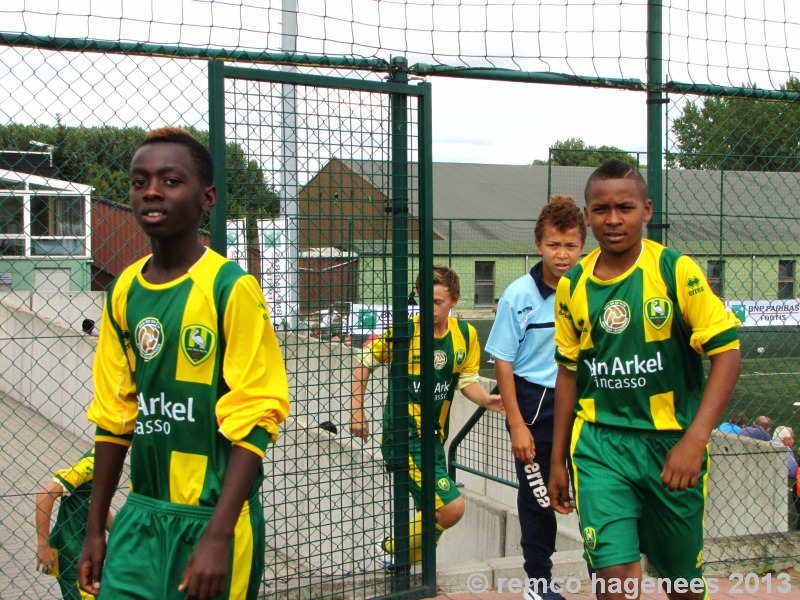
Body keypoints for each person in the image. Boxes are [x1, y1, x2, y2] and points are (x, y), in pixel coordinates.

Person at [77, 128, 290, 600]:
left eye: (170, 181)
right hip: (141, 515)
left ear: (206, 197)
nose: (151, 191)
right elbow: (115, 417)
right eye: (139, 182)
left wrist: (218, 534)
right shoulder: (123, 292)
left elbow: (256, 418)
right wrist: (95, 527)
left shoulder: (230, 289)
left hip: (211, 520)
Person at [548, 159, 741, 600]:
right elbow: (567, 373)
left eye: (625, 207)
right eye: (600, 210)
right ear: (587, 215)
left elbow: (727, 355)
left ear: (647, 211)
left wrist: (694, 441)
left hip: (670, 448)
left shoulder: (676, 271)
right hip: (600, 447)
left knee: (683, 588)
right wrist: (557, 459)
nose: (613, 219)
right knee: (614, 583)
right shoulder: (572, 284)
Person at [349, 265, 503, 570]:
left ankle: (404, 566)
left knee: (435, 515)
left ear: (455, 300)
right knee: (452, 508)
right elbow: (363, 359)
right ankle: (395, 550)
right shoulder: (404, 333)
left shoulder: (466, 335)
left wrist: (485, 399)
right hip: (403, 438)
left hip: (434, 441)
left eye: (439, 302)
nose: (430, 308)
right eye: (425, 300)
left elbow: (466, 379)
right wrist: (357, 411)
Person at [485, 195, 585, 600]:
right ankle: (539, 585)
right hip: (535, 404)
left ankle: (608, 579)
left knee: (593, 494)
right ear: (538, 244)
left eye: (571, 245)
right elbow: (503, 363)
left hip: (582, 403)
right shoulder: (518, 295)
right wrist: (517, 425)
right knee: (538, 498)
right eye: (553, 245)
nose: (562, 255)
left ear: (584, 245)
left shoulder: (591, 288)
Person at [35, 447, 111, 600]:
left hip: (88, 549)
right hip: (72, 550)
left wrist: (120, 533)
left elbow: (98, 504)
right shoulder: (92, 463)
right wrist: (43, 544)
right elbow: (45, 495)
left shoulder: (112, 459)